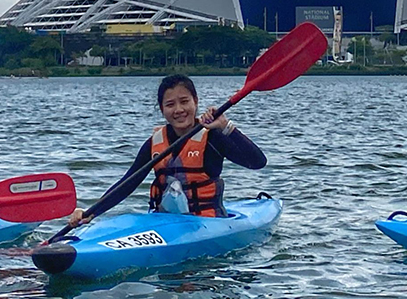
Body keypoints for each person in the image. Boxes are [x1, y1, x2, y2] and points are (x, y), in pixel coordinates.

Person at [66, 74, 266, 226]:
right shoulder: (154, 143)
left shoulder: (213, 137)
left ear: (196, 102)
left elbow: (257, 162)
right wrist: (91, 212)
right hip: (164, 223)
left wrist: (225, 126)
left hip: (208, 223)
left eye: (185, 101)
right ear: (162, 110)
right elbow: (128, 183)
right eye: (170, 105)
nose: (179, 110)